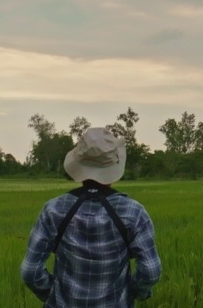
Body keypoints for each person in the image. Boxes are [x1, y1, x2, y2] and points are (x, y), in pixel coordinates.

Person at [21, 127, 161, 307]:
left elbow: (29, 271)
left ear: (78, 164)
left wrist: (54, 293)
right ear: (113, 166)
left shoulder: (53, 210)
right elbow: (151, 271)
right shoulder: (134, 213)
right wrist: (133, 293)